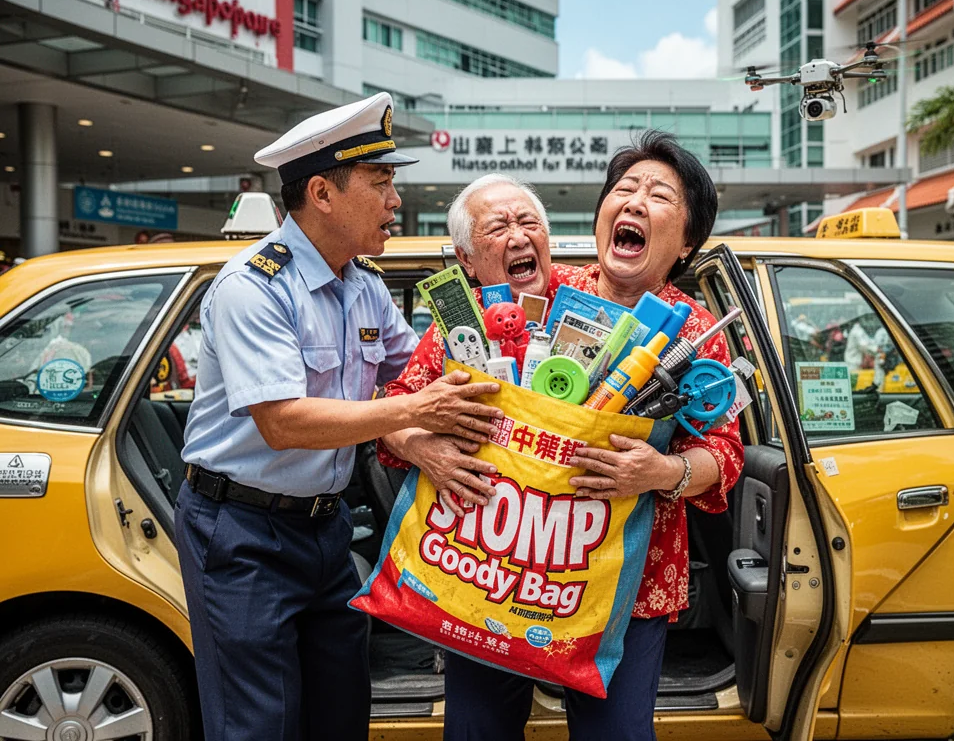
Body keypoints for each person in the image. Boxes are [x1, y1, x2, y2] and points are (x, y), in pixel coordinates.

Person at [175, 93, 504, 741]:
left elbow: (415, 375)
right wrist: (416, 413)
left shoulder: (365, 286)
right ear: (322, 193)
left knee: (342, 712)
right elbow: (284, 422)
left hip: (326, 530)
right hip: (241, 532)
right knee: (258, 725)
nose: (395, 201)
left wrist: (421, 434)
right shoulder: (254, 288)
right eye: (381, 184)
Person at [437, 131, 744, 740]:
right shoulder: (542, 292)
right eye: (624, 189)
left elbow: (725, 452)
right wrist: (427, 445)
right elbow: (409, 400)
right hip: (497, 568)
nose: (634, 202)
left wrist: (662, 472)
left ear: (687, 242)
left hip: (625, 584)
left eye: (660, 195)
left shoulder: (698, 333)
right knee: (478, 730)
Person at [378, 172, 569, 514]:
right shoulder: (459, 321)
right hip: (484, 522)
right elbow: (395, 407)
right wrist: (421, 448)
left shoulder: (585, 293)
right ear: (466, 259)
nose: (518, 238)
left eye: (529, 222)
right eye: (498, 228)